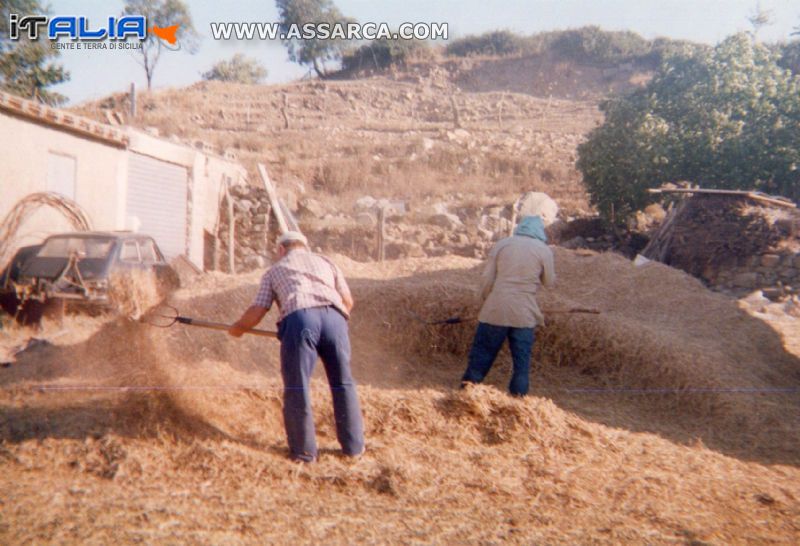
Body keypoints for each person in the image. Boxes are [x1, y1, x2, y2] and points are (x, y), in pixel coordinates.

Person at [228, 231, 365, 462]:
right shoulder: (326, 262)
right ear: (305, 246)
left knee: (297, 386)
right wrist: (331, 323)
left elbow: (259, 309)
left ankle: (304, 453)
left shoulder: (275, 270)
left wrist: (239, 328)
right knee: (343, 382)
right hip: (336, 319)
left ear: (281, 250)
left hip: (301, 318)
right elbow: (347, 301)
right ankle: (354, 449)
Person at [461, 215, 555, 396]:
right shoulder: (544, 250)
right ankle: (517, 402)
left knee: (481, 357)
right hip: (525, 313)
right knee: (521, 364)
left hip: (496, 309)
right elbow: (549, 282)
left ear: (521, 227)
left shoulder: (503, 244)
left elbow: (487, 279)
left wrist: (485, 301)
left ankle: (466, 394)